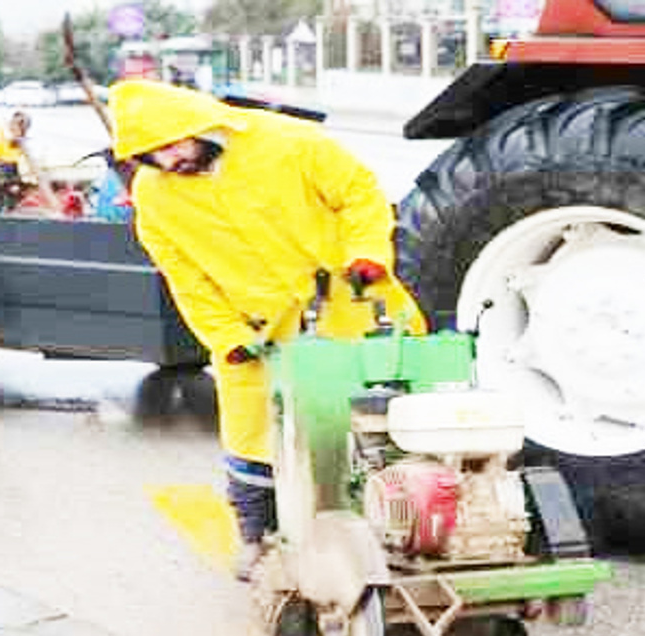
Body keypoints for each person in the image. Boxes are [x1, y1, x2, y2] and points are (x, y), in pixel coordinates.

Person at [108, 79, 427, 580]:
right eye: (152, 157)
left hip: (353, 299)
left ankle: (411, 519)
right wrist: (226, 338)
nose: (169, 162)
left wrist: (366, 253)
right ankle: (255, 537)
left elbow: (359, 192)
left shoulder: (290, 142)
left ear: (199, 125)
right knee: (251, 429)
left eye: (171, 146)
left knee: (393, 412)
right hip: (257, 332)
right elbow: (186, 278)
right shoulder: (153, 196)